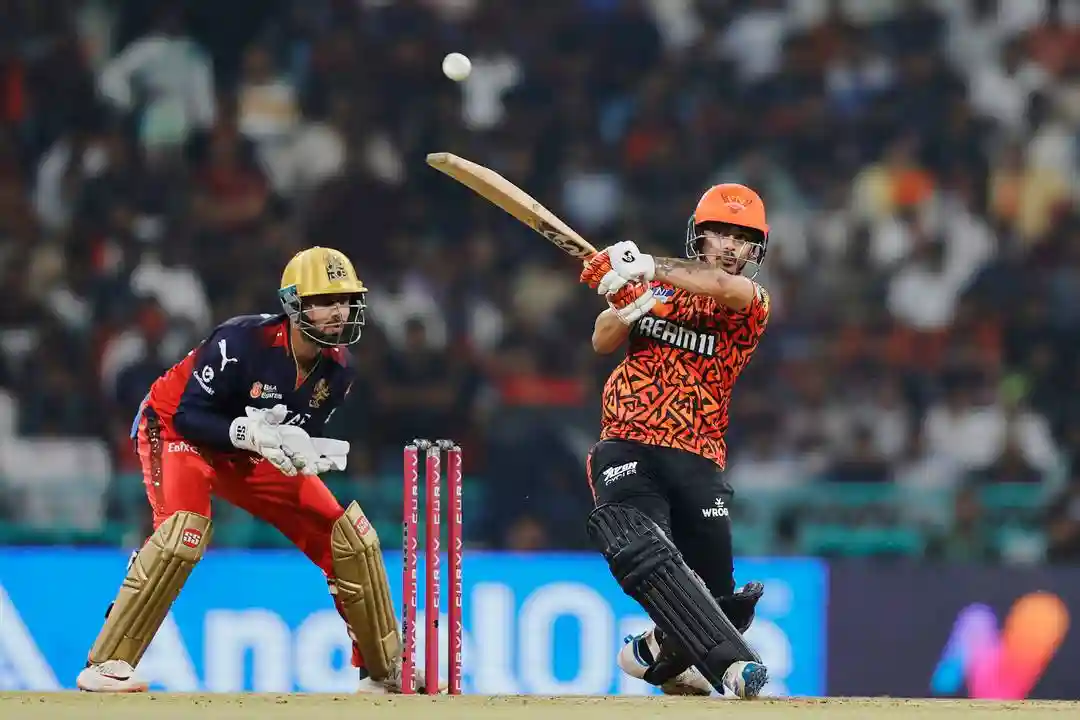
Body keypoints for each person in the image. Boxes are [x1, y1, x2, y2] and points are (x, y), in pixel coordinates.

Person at [77, 246, 434, 694]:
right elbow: (189, 416)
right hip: (174, 431)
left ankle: (383, 671)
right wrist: (246, 432)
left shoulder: (339, 371)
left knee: (348, 538)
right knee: (183, 531)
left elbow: (294, 430)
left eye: (346, 301)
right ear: (294, 304)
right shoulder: (240, 342)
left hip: (248, 451)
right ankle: (106, 664)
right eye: (326, 301)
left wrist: (302, 450)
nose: (339, 312)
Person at [579, 184, 773, 698]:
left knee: (722, 605)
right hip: (627, 440)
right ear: (699, 236)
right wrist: (625, 305)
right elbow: (601, 340)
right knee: (643, 546)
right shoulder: (657, 290)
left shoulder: (751, 302)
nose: (730, 245)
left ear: (756, 249)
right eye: (720, 233)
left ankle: (650, 652)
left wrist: (646, 267)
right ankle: (723, 666)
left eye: (742, 238)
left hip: (698, 454)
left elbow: (721, 286)